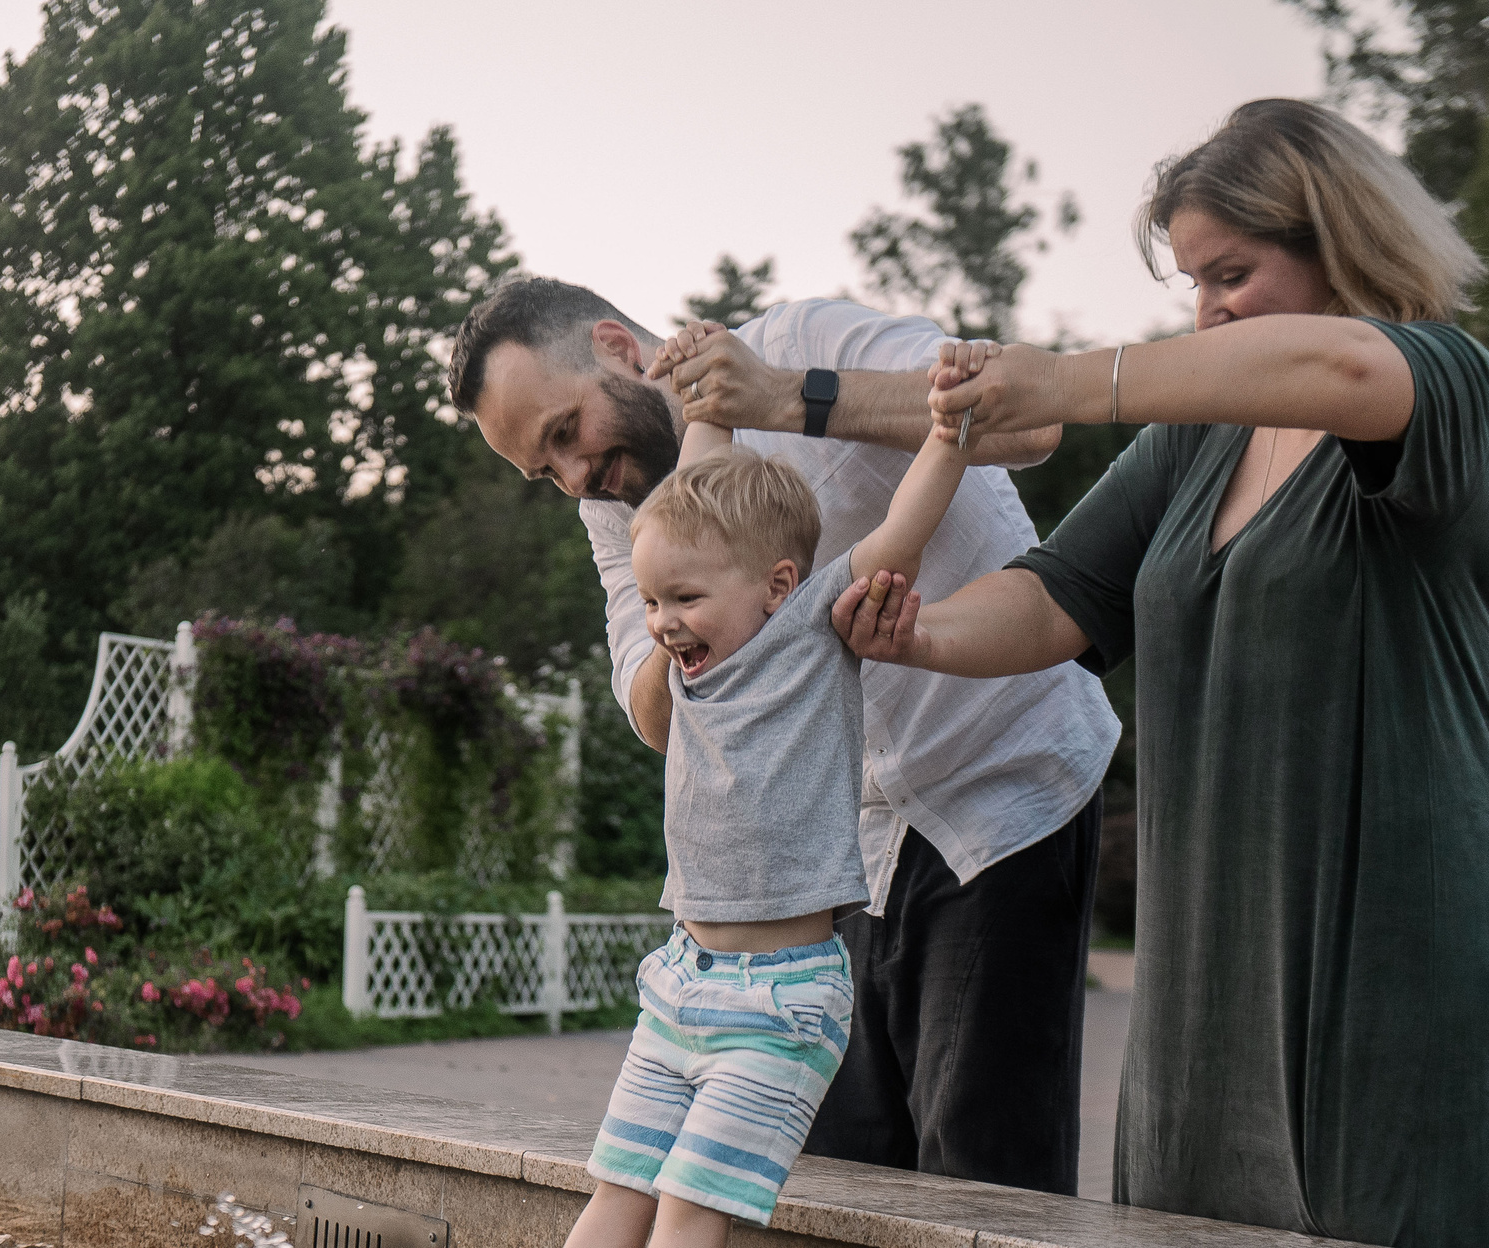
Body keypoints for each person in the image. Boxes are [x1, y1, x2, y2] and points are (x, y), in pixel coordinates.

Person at [839, 99, 1489, 1248]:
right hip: (1212, 923)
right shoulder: (1199, 436)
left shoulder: (1446, 385)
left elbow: (1343, 360)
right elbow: (1058, 595)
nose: (1207, 310)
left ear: (1340, 241)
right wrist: (913, 635)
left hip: (1385, 919)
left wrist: (1064, 381)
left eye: (1232, 273)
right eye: (1191, 285)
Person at [447, 280, 1118, 1195]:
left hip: (998, 789)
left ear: (614, 347)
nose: (572, 478)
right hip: (831, 853)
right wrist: (688, 617)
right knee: (828, 1182)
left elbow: (1028, 425)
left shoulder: (806, 335)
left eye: (566, 434)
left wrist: (785, 396)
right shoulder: (619, 512)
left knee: (981, 1175)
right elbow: (648, 712)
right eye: (543, 471)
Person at [433, 419, 979, 1248]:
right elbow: (695, 491)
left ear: (775, 583)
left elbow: (902, 530)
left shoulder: (816, 623)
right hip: (679, 984)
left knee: (690, 1197)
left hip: (781, 999)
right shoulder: (689, 656)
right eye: (650, 600)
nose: (662, 624)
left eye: (682, 600)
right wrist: (702, 404)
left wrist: (949, 434)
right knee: (619, 1184)